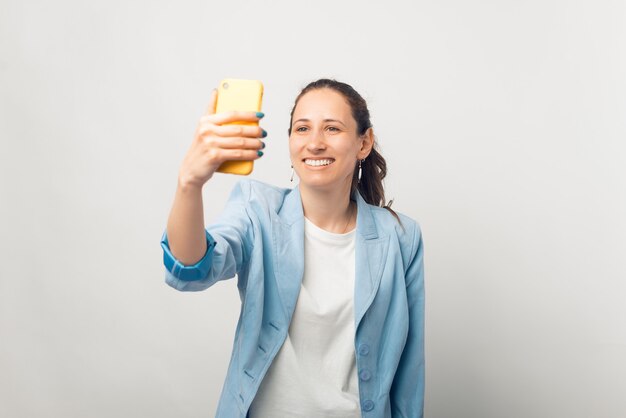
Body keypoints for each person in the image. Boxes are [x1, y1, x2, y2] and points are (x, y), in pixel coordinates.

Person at [161, 79, 425, 418]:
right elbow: (190, 266)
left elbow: (409, 372)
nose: (314, 143)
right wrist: (189, 182)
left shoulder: (401, 236)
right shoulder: (256, 209)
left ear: (364, 143)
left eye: (332, 128)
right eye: (302, 128)